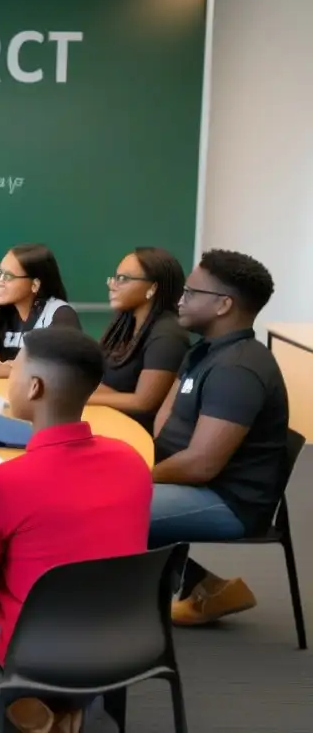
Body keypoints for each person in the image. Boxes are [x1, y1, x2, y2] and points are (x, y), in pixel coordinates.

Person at [0, 327, 152, 733]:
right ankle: (64, 703)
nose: (10, 377)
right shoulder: (131, 460)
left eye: (14, 369)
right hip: (126, 632)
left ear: (34, 387)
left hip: (38, 647)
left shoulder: (5, 482)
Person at [149, 249, 288, 626]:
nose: (180, 299)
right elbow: (169, 410)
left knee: (101, 504)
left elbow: (201, 464)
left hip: (227, 501)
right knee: (99, 495)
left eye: (191, 292)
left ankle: (110, 612)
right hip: (192, 484)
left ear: (224, 305)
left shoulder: (238, 369)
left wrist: (137, 475)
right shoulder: (205, 350)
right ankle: (203, 587)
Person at [89, 247, 191, 432]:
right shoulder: (125, 324)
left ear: (153, 288)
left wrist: (79, 397)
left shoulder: (167, 335)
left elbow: (143, 402)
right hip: (108, 422)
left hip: (136, 434)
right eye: (114, 277)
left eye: (123, 279)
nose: (113, 285)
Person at [0, 243, 80, 379]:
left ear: (35, 285)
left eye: (8, 276)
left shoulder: (60, 315)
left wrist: (11, 371)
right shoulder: (7, 312)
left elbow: (65, 370)